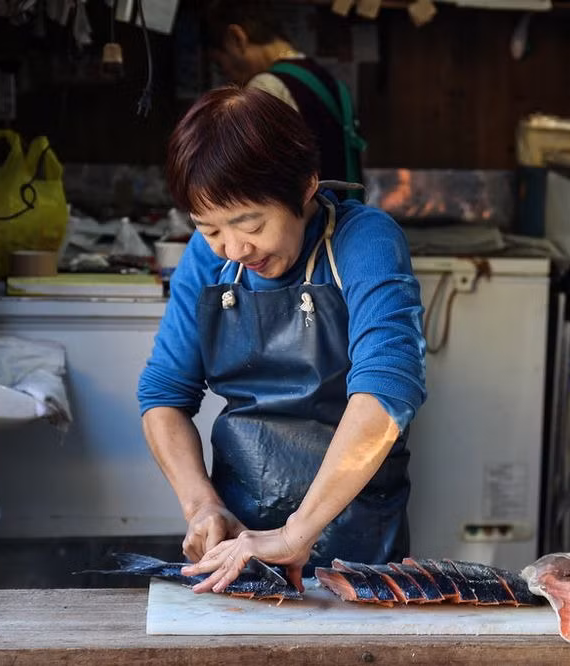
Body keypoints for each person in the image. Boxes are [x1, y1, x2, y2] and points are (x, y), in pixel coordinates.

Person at [137, 85, 426, 594]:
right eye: (210, 230)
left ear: (306, 186)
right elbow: (163, 396)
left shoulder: (365, 239)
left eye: (250, 224)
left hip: (357, 540)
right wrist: (201, 506)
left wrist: (296, 534)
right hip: (238, 545)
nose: (233, 248)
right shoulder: (208, 259)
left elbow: (387, 389)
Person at [204, 0, 365, 185]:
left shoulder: (266, 86)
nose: (227, 75)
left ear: (237, 38)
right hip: (339, 201)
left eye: (220, 64)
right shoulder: (326, 79)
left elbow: (254, 178)